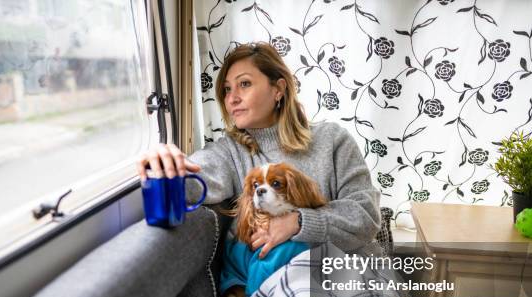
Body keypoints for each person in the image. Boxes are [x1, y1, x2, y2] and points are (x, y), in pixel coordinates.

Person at [136, 41, 380, 260]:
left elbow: (366, 216)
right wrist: (164, 164)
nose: (232, 99)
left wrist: (298, 222)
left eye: (244, 84)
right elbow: (194, 181)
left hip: (349, 269)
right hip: (283, 283)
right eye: (227, 89)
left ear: (278, 90)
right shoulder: (230, 152)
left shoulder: (333, 139)